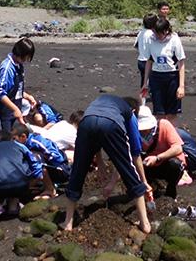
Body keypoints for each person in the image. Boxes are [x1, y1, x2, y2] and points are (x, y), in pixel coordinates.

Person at [63, 95, 152, 234]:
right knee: (129, 171)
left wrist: (100, 163)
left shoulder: (103, 101)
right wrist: (143, 181)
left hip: (87, 122)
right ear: (134, 111)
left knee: (77, 171)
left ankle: (68, 223)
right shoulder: (130, 114)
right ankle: (145, 224)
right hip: (110, 125)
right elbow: (133, 153)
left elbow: (96, 126)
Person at [0, 131, 45, 222]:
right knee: (19, 170)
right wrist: (36, 177)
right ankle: (13, 206)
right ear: (11, 139)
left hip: (0, 185)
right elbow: (34, 163)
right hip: (22, 185)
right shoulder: (20, 146)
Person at [137, 104, 193, 203]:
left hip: (166, 164)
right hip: (148, 165)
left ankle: (171, 191)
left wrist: (157, 158)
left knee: (174, 164)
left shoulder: (164, 125)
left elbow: (178, 148)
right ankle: (148, 189)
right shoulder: (135, 133)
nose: (143, 131)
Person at [140, 16, 185, 122]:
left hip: (172, 76)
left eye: (158, 33)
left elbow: (181, 62)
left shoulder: (174, 40)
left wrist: (181, 86)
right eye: (154, 32)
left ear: (165, 31)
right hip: (156, 76)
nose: (156, 35)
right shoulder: (151, 40)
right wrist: (145, 83)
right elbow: (149, 61)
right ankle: (160, 134)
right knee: (159, 111)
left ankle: (170, 133)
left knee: (172, 112)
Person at [0, 38, 36, 132]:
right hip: (3, 112)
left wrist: (28, 96)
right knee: (3, 140)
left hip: (13, 111)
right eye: (25, 57)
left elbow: (15, 89)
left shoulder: (18, 65)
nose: (26, 60)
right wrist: (15, 109)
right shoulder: (7, 68)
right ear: (19, 53)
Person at [15, 122, 70, 199]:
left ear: (23, 136)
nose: (13, 141)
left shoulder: (37, 141)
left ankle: (50, 190)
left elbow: (57, 157)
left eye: (15, 139)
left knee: (35, 157)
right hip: (51, 169)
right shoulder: (25, 144)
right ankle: (44, 185)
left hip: (61, 169)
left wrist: (40, 155)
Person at [134, 13, 157, 88]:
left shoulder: (141, 32)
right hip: (149, 61)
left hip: (140, 60)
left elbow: (136, 46)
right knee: (153, 81)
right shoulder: (152, 34)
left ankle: (143, 98)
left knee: (144, 81)